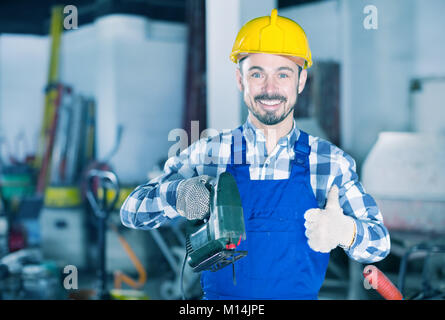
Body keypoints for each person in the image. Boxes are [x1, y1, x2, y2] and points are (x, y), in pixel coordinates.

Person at [120, 9, 390, 300]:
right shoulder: (209, 154)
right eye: (257, 74)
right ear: (240, 80)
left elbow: (380, 242)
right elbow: (131, 212)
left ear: (301, 81)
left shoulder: (329, 162)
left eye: (283, 74)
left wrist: (345, 231)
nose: (270, 88)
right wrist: (177, 195)